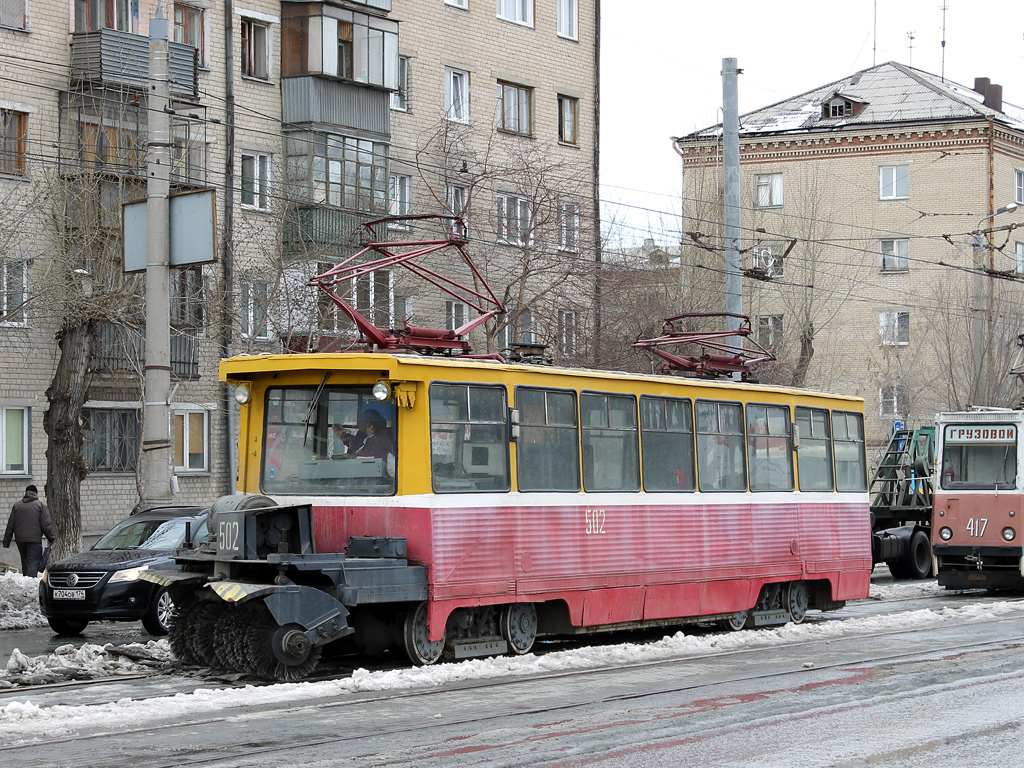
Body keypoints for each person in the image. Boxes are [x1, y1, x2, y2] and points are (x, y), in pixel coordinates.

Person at [3, 484, 56, 577]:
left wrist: (6, 541)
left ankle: (25, 581)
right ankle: (29, 582)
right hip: (34, 540)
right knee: (33, 562)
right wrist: (51, 538)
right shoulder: (40, 505)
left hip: (20, 540)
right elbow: (46, 525)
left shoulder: (17, 506)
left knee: (25, 562)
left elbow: (10, 525)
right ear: (36, 493)